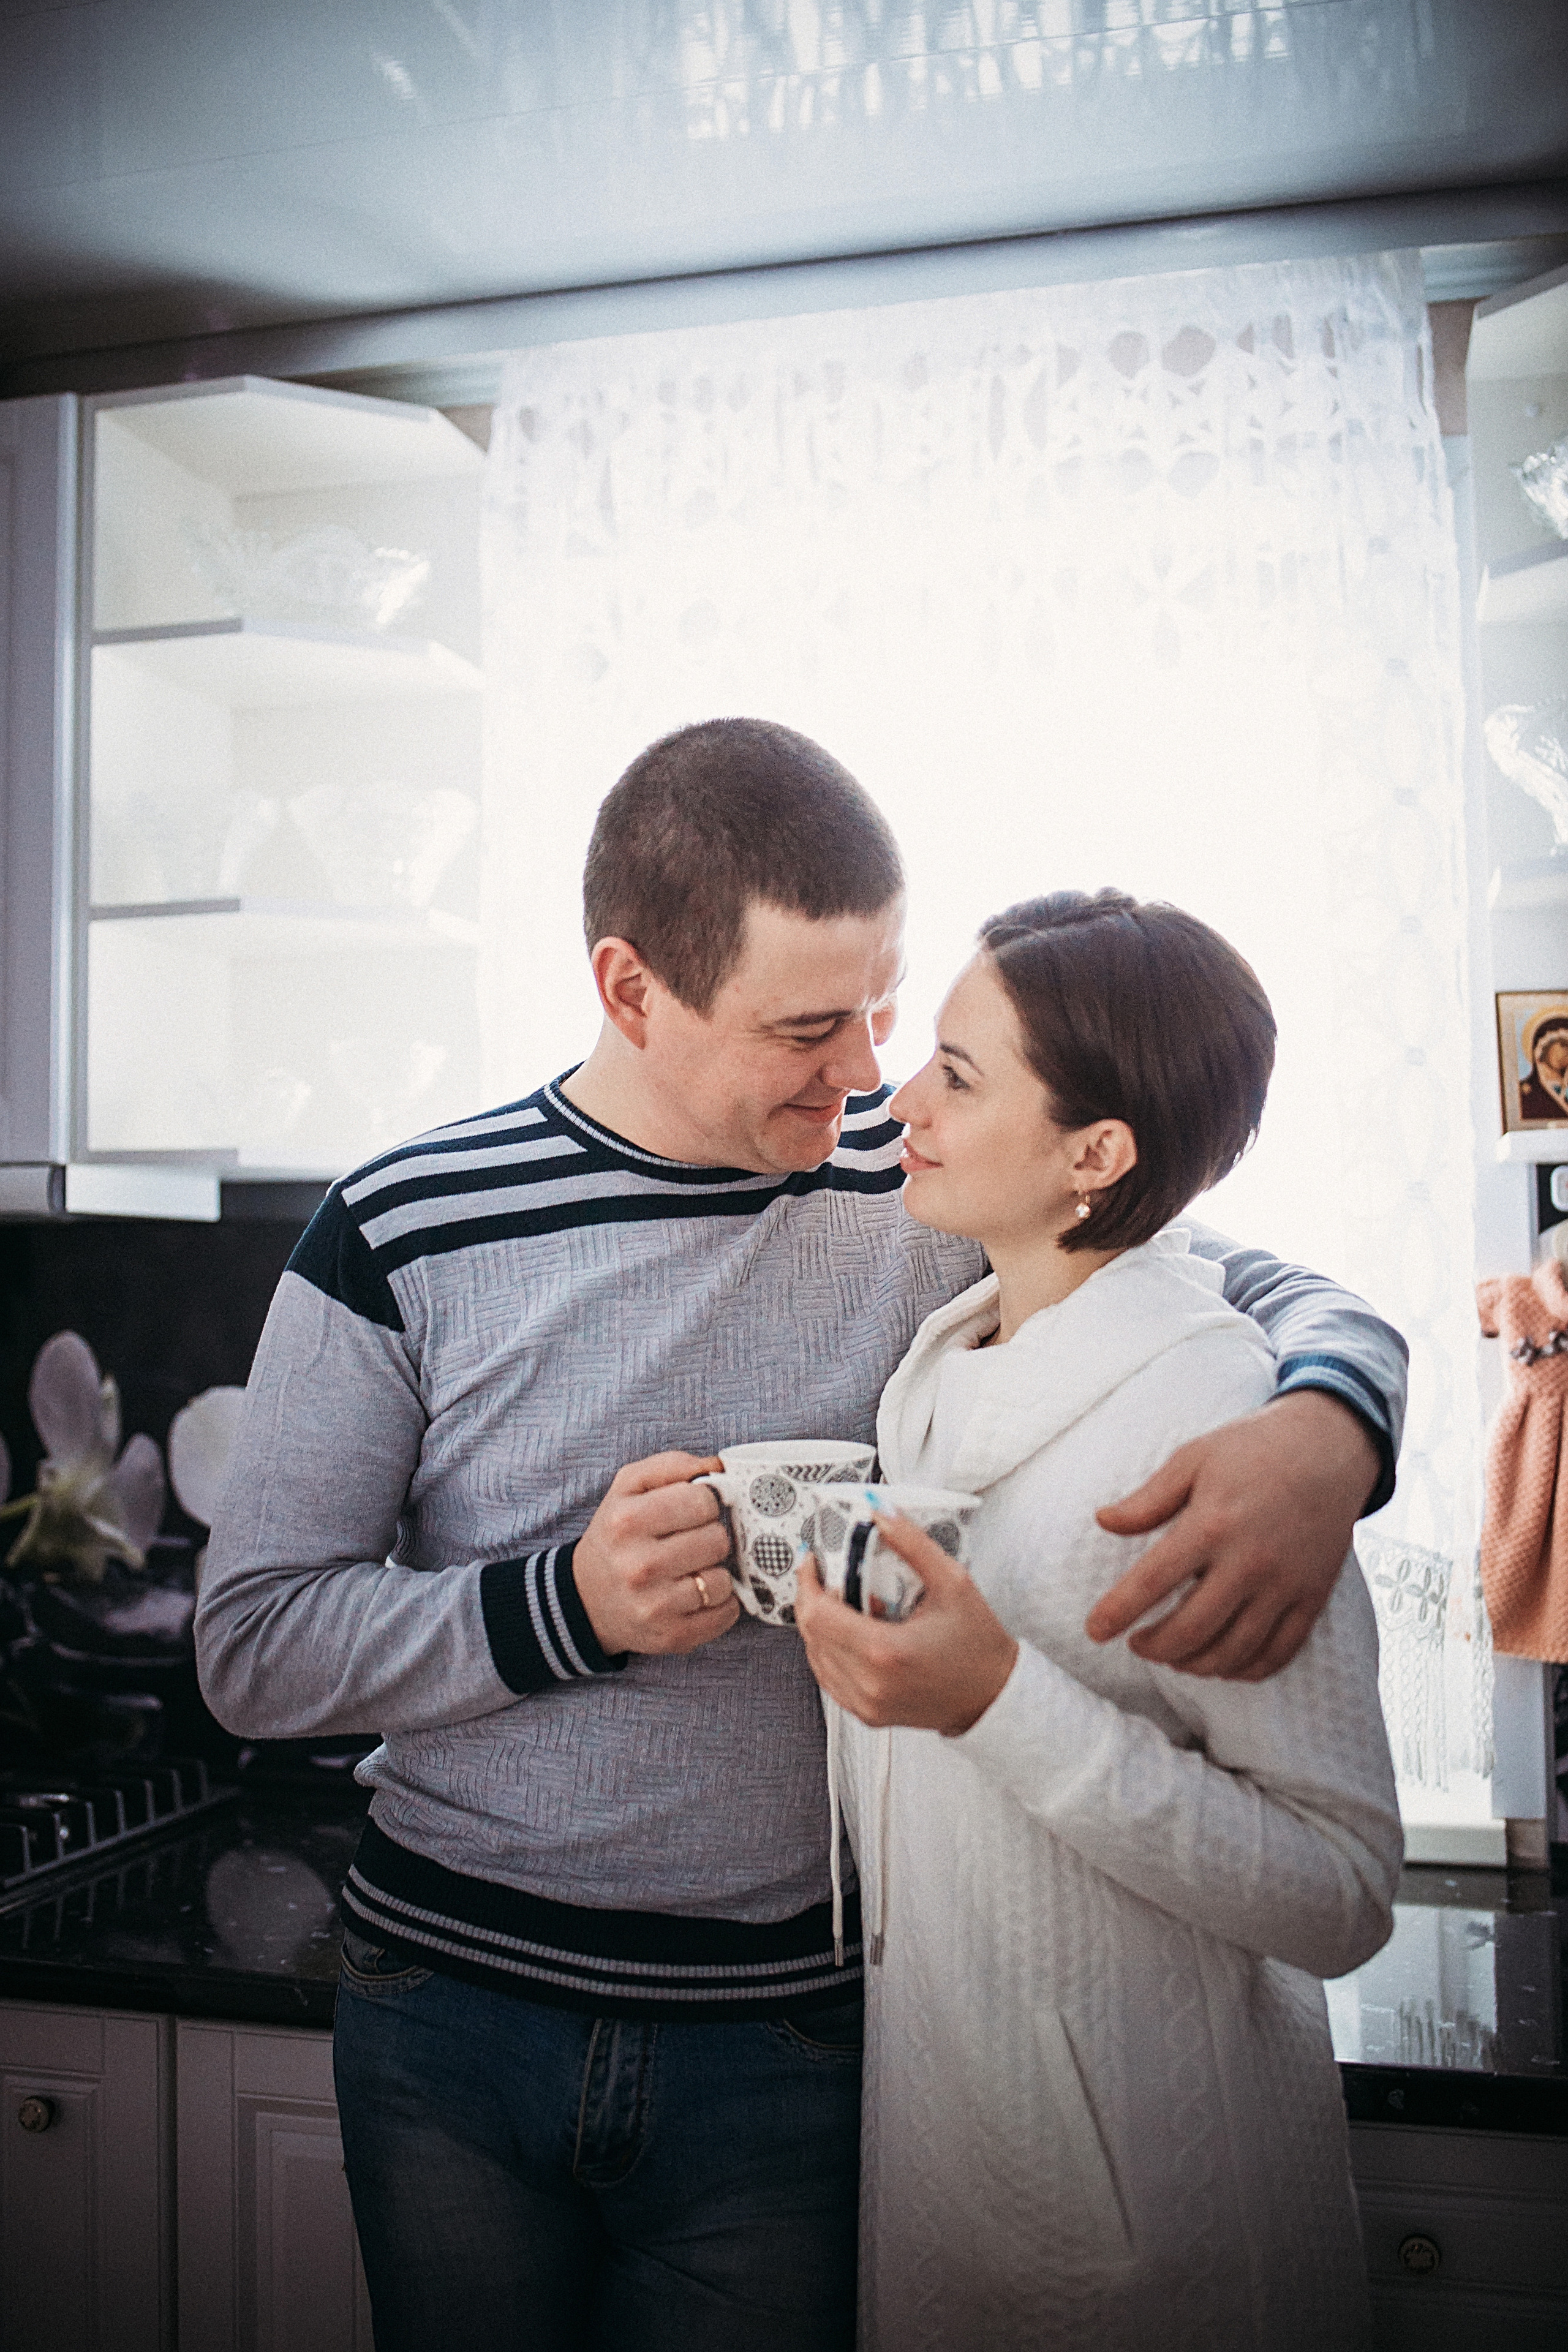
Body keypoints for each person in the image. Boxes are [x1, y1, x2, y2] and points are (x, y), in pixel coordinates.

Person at [195, 722, 1406, 2352]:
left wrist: (1334, 1420)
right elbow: (252, 1651)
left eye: (889, 1007)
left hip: (789, 2050)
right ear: (632, 991)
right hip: (446, 2017)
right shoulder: (404, 1225)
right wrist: (558, 1605)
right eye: (809, 1026)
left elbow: (1203, 1258)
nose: (865, 1074)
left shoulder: (915, 1186)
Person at [796, 889, 1402, 2352]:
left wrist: (999, 1699)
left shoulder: (1217, 1424)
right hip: (940, 2166)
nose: (899, 1100)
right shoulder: (935, 1371)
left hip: (1154, 2219)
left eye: (957, 1073)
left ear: (1095, 1154)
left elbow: (1340, 1892)